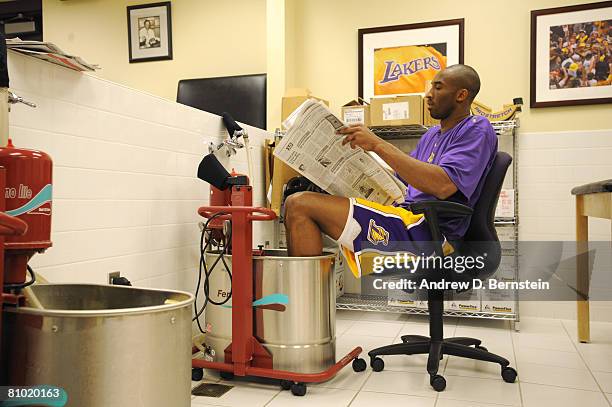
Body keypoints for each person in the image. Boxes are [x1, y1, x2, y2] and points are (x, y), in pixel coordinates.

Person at [284, 64, 498, 277]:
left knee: (299, 204)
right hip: (404, 215)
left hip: (428, 232)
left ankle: (305, 308)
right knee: (297, 202)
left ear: (461, 95)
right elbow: (403, 179)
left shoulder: (477, 128)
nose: (428, 95)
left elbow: (443, 185)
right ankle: (308, 305)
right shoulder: (432, 135)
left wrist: (378, 144)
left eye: (438, 88)